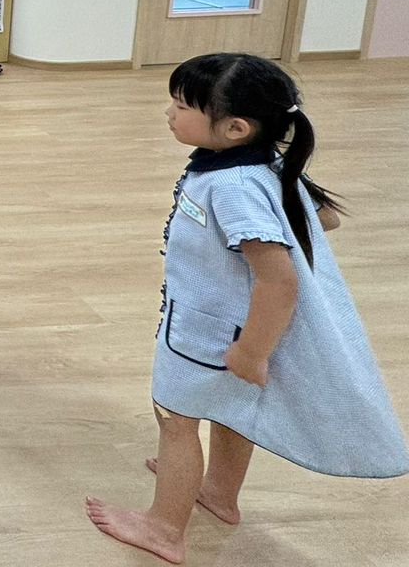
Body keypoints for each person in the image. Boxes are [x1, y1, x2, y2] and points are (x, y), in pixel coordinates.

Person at [86, 53, 408, 564]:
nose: (169, 113)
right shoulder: (259, 165)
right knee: (229, 410)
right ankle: (218, 493)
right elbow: (323, 219)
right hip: (224, 326)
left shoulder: (233, 186)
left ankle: (164, 529)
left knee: (175, 419)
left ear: (235, 128)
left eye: (181, 106)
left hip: (208, 335)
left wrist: (252, 352)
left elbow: (279, 279)